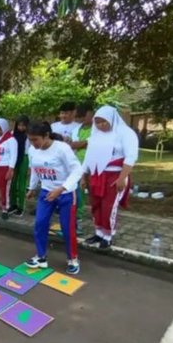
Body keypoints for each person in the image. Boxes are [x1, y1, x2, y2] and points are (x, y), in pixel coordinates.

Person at [26, 121, 83, 275]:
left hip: (66, 193)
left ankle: (73, 259)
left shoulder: (62, 149)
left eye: (35, 139)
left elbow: (77, 170)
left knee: (67, 227)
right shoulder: (33, 150)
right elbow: (35, 170)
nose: (33, 143)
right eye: (30, 140)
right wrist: (32, 188)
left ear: (46, 136)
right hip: (46, 192)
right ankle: (41, 256)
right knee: (40, 223)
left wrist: (62, 188)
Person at [82, 105, 139, 249]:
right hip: (96, 175)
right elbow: (89, 156)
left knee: (109, 206)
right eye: (98, 122)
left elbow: (131, 156)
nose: (100, 125)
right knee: (96, 204)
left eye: (103, 121)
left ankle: (108, 235)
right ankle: (98, 232)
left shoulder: (125, 133)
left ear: (111, 119)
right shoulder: (96, 134)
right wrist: (83, 175)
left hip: (114, 175)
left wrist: (122, 178)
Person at [71, 103, 94, 225]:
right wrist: (81, 143)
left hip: (93, 165)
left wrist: (80, 143)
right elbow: (72, 144)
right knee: (79, 191)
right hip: (78, 165)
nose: (82, 119)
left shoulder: (97, 128)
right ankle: (78, 216)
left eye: (84, 116)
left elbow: (92, 142)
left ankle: (97, 214)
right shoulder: (76, 130)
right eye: (80, 117)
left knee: (94, 191)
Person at [9, 115, 30, 216]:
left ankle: (21, 207)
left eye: (23, 125)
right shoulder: (12, 134)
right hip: (13, 159)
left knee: (22, 184)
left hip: (25, 159)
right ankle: (13, 204)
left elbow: (31, 151)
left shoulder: (29, 135)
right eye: (19, 125)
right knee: (12, 183)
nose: (21, 128)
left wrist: (30, 166)